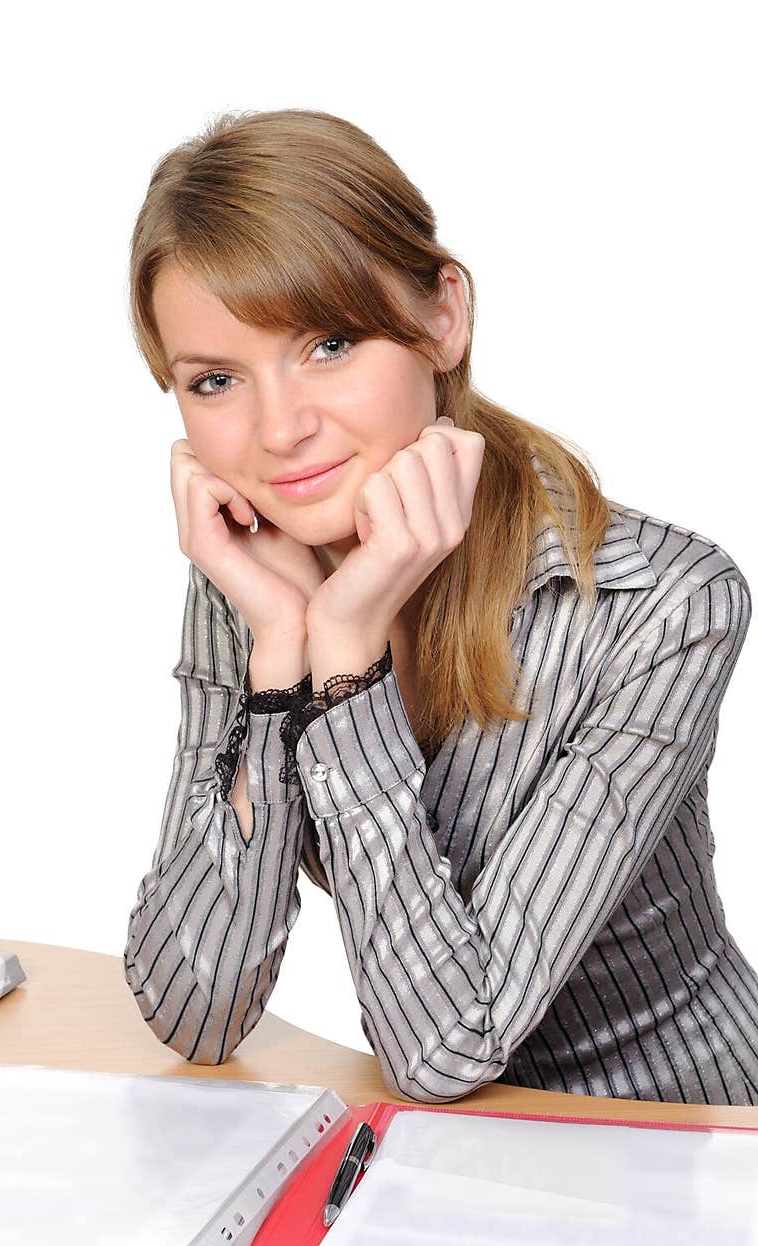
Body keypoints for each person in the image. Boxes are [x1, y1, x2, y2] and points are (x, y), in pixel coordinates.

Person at [123, 107, 758, 1106]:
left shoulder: (663, 603)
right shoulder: (259, 578)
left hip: (686, 1145)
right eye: (215, 380)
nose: (279, 430)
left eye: (329, 342)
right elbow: (194, 1008)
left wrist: (347, 658)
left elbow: (448, 1052)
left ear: (442, 317)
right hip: (450, 1166)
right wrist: (285, 654)